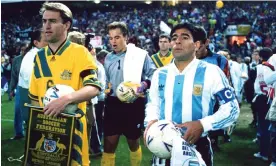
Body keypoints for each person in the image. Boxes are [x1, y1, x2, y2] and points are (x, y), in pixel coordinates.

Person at [144, 23, 240, 166]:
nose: (177, 41)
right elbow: (153, 104)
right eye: (174, 37)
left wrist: (202, 125)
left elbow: (232, 109)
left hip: (198, 146)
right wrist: (151, 120)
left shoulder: (211, 72)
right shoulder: (160, 74)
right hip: (163, 146)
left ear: (196, 44)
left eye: (185, 37)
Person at [28, 3, 101, 166]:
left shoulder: (79, 52)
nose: (46, 26)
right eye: (44, 21)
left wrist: (66, 99)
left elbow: (93, 87)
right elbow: (34, 98)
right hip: (45, 131)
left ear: (66, 25)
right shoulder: (39, 57)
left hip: (72, 131)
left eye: (52, 21)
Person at [101, 21, 156, 166]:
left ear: (126, 37)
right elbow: (107, 81)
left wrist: (143, 85)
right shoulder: (108, 58)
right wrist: (107, 88)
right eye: (111, 38)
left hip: (133, 104)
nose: (113, 41)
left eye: (117, 37)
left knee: (133, 143)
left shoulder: (140, 55)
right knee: (109, 145)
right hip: (113, 104)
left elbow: (153, 74)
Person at [194, 26, 231, 151]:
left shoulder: (220, 60)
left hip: (213, 100)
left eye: (199, 45)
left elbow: (224, 83)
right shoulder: (183, 59)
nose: (196, 49)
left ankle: (213, 141)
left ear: (206, 42)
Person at [18, 28, 48, 123]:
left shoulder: (42, 54)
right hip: (32, 99)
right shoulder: (30, 57)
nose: (49, 41)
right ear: (36, 43)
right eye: (45, 39)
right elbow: (30, 79)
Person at [252, 48, 273, 162]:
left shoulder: (259, 67)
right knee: (265, 125)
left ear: (260, 56)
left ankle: (265, 152)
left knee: (263, 126)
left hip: (262, 97)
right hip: (266, 97)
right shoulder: (269, 67)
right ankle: (265, 151)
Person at [9, 41, 29, 140]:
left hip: (32, 89)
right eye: (22, 50)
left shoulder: (34, 58)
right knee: (18, 111)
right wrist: (11, 89)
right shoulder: (16, 60)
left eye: (25, 50)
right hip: (20, 88)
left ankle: (33, 133)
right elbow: (13, 76)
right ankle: (18, 133)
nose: (23, 52)